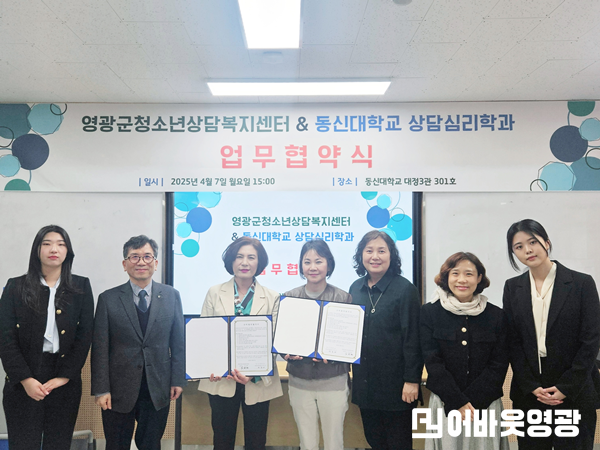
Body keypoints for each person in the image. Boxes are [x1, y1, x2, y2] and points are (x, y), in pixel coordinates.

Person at [503, 219, 600, 450]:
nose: (527, 250)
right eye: (518, 247)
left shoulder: (581, 283)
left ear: (546, 243)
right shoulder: (512, 287)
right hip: (531, 392)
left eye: (532, 242)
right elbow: (512, 341)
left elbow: (591, 339)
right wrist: (530, 385)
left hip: (574, 388)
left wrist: (567, 386)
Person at [0, 225, 94, 450]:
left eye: (61, 244)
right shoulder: (15, 286)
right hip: (24, 377)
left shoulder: (80, 286)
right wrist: (25, 379)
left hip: (64, 378)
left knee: (58, 443)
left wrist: (64, 377)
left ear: (68, 252)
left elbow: (85, 335)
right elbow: (5, 337)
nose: (54, 249)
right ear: (37, 250)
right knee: (24, 444)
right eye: (47, 244)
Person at [91, 235, 185, 450]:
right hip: (117, 389)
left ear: (156, 263)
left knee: (151, 444)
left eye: (147, 256)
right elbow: (100, 348)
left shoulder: (171, 296)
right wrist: (101, 390)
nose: (141, 262)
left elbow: (178, 343)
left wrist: (177, 380)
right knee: (116, 445)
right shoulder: (108, 299)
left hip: (157, 387)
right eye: (134, 257)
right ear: (125, 264)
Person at [198, 236, 282, 450]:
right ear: (231, 261)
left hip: (257, 380)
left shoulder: (272, 297)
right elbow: (204, 335)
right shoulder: (214, 292)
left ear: (259, 262)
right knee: (222, 441)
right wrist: (211, 366)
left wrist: (255, 372)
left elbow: (275, 341)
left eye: (251, 257)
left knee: (256, 441)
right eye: (239, 257)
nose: (245, 262)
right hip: (222, 379)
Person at [421, 252, 509, 450]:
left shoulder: (496, 315)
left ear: (479, 278)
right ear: (446, 277)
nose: (462, 280)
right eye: (455, 273)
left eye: (469, 274)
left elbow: (499, 363)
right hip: (445, 402)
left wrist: (473, 402)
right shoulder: (430, 312)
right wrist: (456, 401)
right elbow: (432, 361)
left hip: (485, 403)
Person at [349, 230, 423, 450]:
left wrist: (412, 380)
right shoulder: (355, 288)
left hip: (397, 387)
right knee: (375, 441)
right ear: (361, 255)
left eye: (381, 251)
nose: (375, 256)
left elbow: (413, 338)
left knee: (398, 443)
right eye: (369, 250)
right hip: (365, 385)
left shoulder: (405, 289)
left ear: (391, 255)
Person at [283, 240, 351, 450]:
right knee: (307, 443)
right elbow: (283, 338)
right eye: (307, 262)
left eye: (318, 261)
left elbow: (348, 341)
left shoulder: (343, 298)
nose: (312, 267)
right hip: (299, 382)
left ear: (328, 265)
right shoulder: (289, 297)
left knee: (334, 442)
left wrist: (335, 354)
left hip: (333, 382)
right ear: (301, 266)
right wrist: (285, 352)